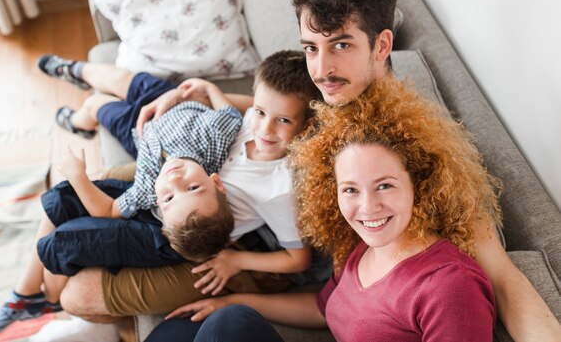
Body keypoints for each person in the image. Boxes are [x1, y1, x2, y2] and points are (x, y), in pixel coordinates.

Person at [147, 0, 561, 341]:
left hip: (284, 258)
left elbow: (502, 277)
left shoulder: (419, 151)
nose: (321, 70)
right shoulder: (336, 98)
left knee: (108, 286)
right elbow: (280, 113)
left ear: (382, 46)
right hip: (306, 265)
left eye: (341, 45)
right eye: (312, 47)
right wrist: (201, 95)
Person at [161, 77, 498, 342]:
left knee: (226, 327)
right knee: (188, 327)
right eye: (350, 189)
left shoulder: (449, 286)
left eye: (385, 185)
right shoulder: (363, 247)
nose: (367, 207)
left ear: (419, 182)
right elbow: (322, 308)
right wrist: (231, 300)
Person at [0, 76, 243, 340]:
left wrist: (78, 175)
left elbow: (109, 210)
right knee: (61, 199)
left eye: (170, 198)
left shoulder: (150, 187)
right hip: (161, 117)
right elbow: (230, 114)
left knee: (65, 240)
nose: (175, 179)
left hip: (158, 227)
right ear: (215, 181)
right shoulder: (213, 139)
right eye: (193, 187)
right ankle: (27, 296)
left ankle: (40, 298)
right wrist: (209, 88)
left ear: (159, 205)